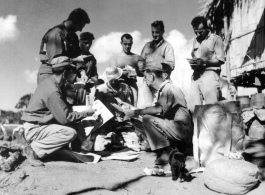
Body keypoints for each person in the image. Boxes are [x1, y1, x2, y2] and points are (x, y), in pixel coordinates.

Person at [21, 56, 95, 166]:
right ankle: (33, 150)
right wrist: (86, 113)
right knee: (69, 132)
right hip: (35, 129)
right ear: (65, 73)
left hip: (39, 127)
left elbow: (62, 109)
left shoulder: (51, 83)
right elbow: (65, 118)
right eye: (71, 71)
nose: (73, 74)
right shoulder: (52, 90)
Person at [124, 61, 192, 165]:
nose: (145, 80)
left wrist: (136, 112)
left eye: (146, 76)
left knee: (147, 118)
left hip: (182, 129)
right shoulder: (164, 89)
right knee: (143, 119)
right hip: (177, 128)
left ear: (152, 76)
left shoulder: (168, 88)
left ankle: (166, 152)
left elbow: (159, 109)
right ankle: (169, 149)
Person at [37, 8, 90, 85]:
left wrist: (82, 73)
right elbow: (55, 61)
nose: (81, 30)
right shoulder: (55, 34)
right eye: (80, 26)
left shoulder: (73, 37)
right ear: (74, 21)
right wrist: (75, 60)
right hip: (49, 75)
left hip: (62, 76)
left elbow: (77, 56)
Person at [188, 16, 225, 114]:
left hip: (210, 74)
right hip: (196, 75)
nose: (197, 34)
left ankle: (213, 129)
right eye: (195, 31)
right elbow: (194, 56)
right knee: (195, 109)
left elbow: (221, 59)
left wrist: (205, 62)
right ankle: (197, 129)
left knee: (212, 108)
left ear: (207, 28)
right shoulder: (195, 41)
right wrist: (194, 63)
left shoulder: (216, 39)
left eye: (200, 31)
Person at [140, 21, 175, 106]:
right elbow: (140, 60)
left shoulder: (167, 46)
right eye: (153, 32)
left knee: (160, 107)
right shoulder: (147, 46)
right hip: (147, 82)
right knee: (148, 106)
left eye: (157, 32)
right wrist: (142, 68)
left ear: (163, 31)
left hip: (160, 82)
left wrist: (157, 68)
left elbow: (170, 65)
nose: (154, 34)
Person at [64, 32, 98, 105]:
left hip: (85, 92)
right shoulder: (71, 54)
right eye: (85, 43)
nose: (88, 45)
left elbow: (94, 74)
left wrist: (92, 80)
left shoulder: (92, 58)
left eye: (90, 43)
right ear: (80, 41)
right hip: (71, 91)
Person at [110, 34, 144, 106]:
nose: (127, 46)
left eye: (129, 44)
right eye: (125, 44)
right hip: (119, 85)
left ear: (132, 43)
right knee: (119, 108)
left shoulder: (137, 57)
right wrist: (121, 72)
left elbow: (143, 73)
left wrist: (135, 72)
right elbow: (111, 73)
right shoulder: (115, 57)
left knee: (133, 108)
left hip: (132, 85)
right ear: (121, 43)